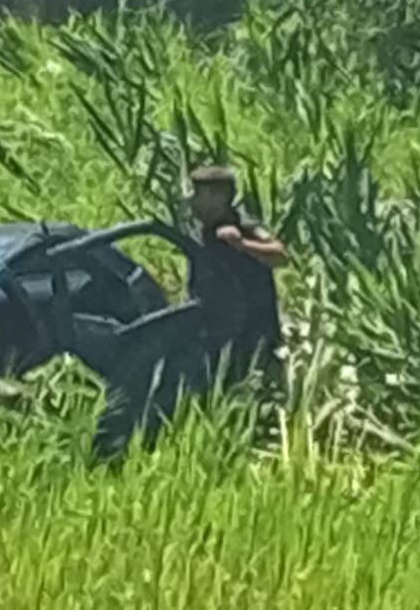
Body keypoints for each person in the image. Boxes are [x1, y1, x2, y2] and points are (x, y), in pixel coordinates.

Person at [87, 164, 287, 463]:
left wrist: (242, 244)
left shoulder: (241, 225)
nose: (190, 200)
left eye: (198, 193)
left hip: (249, 332)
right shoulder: (198, 228)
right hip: (208, 329)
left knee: (233, 392)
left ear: (221, 197)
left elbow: (280, 255)